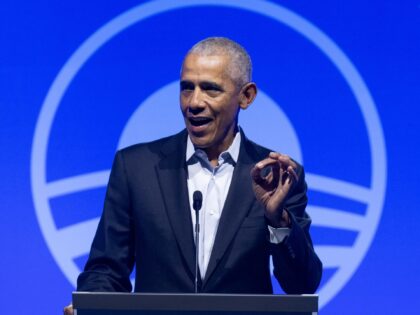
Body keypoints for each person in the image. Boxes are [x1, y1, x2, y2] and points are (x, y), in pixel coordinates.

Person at [64, 37, 322, 314]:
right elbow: (106, 269)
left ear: (246, 96)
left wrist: (278, 220)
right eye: (187, 88)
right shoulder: (136, 167)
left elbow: (301, 284)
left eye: (210, 89)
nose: (194, 102)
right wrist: (93, 305)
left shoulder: (276, 176)